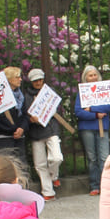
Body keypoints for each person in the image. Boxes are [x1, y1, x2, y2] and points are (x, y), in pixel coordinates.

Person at [22, 68, 64, 200]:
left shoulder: (50, 92)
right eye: (35, 81)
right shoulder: (27, 96)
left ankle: (54, 176)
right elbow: (25, 113)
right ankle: (48, 192)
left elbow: (56, 109)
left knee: (56, 157)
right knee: (40, 164)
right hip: (35, 132)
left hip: (51, 129)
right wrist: (31, 119)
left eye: (40, 79)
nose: (38, 82)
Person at [74, 65, 110, 195]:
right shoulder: (82, 92)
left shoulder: (104, 90)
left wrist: (91, 108)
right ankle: (94, 185)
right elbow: (78, 112)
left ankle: (106, 186)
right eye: (90, 75)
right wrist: (95, 115)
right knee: (92, 158)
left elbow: (108, 107)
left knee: (104, 157)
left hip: (103, 127)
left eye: (95, 74)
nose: (93, 77)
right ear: (86, 77)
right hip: (87, 128)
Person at [0, 65, 27, 162]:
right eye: (17, 77)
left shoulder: (21, 96)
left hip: (19, 137)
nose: (20, 79)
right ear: (9, 79)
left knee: (21, 165)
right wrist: (14, 129)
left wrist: (22, 129)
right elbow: (0, 117)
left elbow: (25, 114)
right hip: (4, 138)